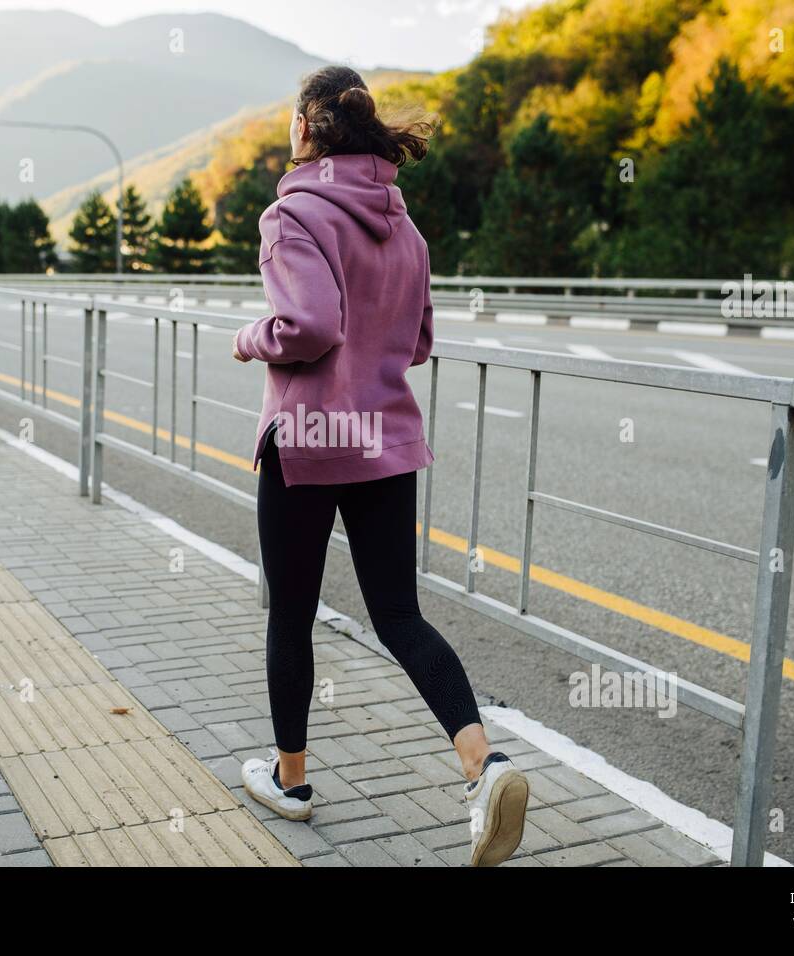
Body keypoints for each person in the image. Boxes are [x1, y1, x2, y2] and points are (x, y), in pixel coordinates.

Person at [231, 66, 529, 867]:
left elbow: (310, 324)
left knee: (290, 615)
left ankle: (292, 782)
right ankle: (484, 765)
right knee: (399, 615)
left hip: (309, 440)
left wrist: (253, 337)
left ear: (305, 126)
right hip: (384, 440)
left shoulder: (292, 212)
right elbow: (419, 342)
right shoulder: (405, 226)